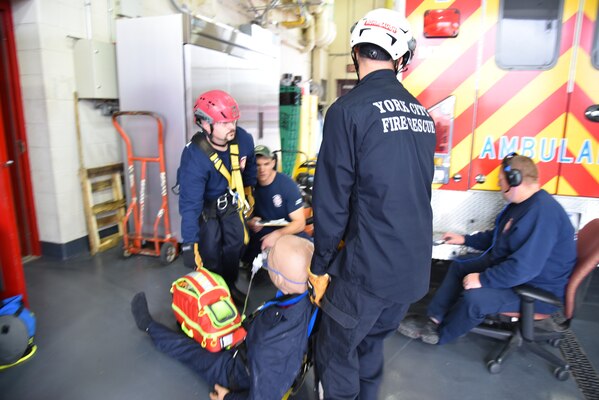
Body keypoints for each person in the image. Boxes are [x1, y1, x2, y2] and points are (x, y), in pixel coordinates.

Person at [306, 8, 436, 399]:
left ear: (355, 53)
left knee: (334, 350)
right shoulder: (423, 116)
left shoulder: (348, 111)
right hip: (411, 273)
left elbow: (331, 200)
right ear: (401, 59)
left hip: (367, 273)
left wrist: (320, 266)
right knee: (370, 344)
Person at [397, 153, 577, 345]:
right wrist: (464, 239)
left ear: (514, 180)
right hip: (517, 274)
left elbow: (524, 269)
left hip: (533, 290)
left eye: (501, 181)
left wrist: (482, 279)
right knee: (461, 265)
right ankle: (434, 319)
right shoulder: (522, 205)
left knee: (474, 298)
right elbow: (499, 237)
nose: (499, 186)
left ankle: (442, 334)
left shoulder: (542, 214)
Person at [131, 234, 315, 400]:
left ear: (280, 279)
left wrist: (228, 397)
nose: (268, 253)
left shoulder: (272, 345)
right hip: (252, 349)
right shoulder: (307, 298)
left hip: (236, 371)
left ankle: (148, 325)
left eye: (272, 254)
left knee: (189, 351)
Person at [177, 90, 256, 305]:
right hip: (206, 209)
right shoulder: (194, 157)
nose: (232, 127)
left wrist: (249, 193)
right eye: (224, 123)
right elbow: (190, 205)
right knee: (210, 253)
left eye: (233, 121)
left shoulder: (244, 141)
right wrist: (189, 243)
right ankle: (215, 296)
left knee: (236, 244)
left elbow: (250, 170)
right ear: (205, 124)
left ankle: (228, 286)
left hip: (230, 204)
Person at [242, 144, 308, 267]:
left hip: (289, 231)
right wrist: (250, 221)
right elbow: (241, 216)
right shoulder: (248, 185)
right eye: (257, 165)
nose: (262, 169)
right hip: (262, 232)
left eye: (266, 164)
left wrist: (277, 235)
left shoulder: (287, 185)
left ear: (273, 163)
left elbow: (300, 223)